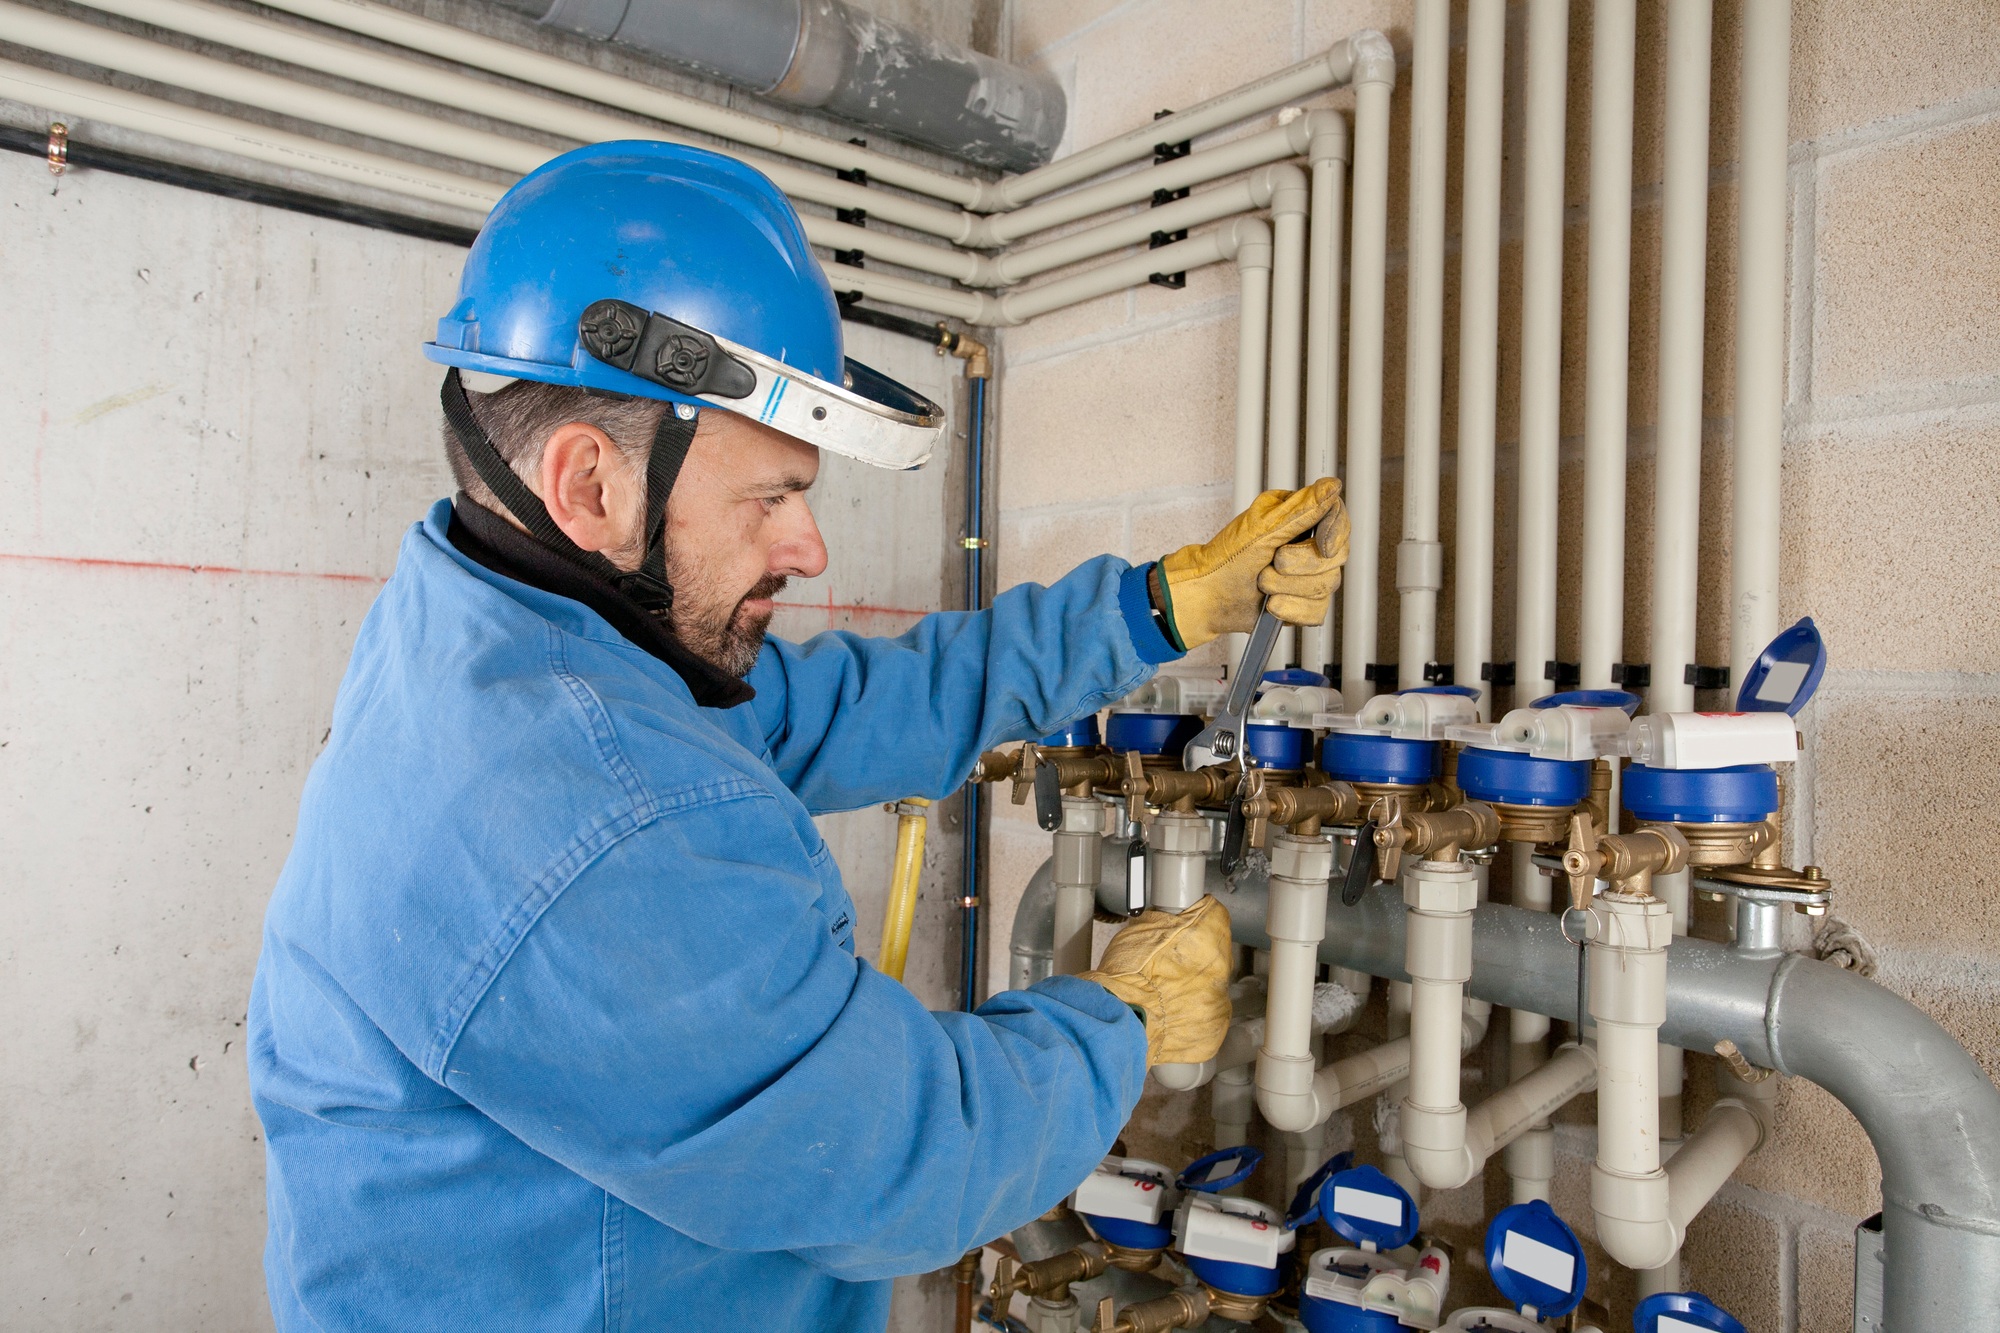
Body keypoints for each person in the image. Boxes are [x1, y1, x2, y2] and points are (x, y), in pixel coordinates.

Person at [247, 140, 1348, 1331]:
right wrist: (1114, 1022)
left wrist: (1151, 610)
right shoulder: (592, 813)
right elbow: (903, 1160)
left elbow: (830, 708)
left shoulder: (506, 633)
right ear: (589, 485)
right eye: (768, 497)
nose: (806, 548)